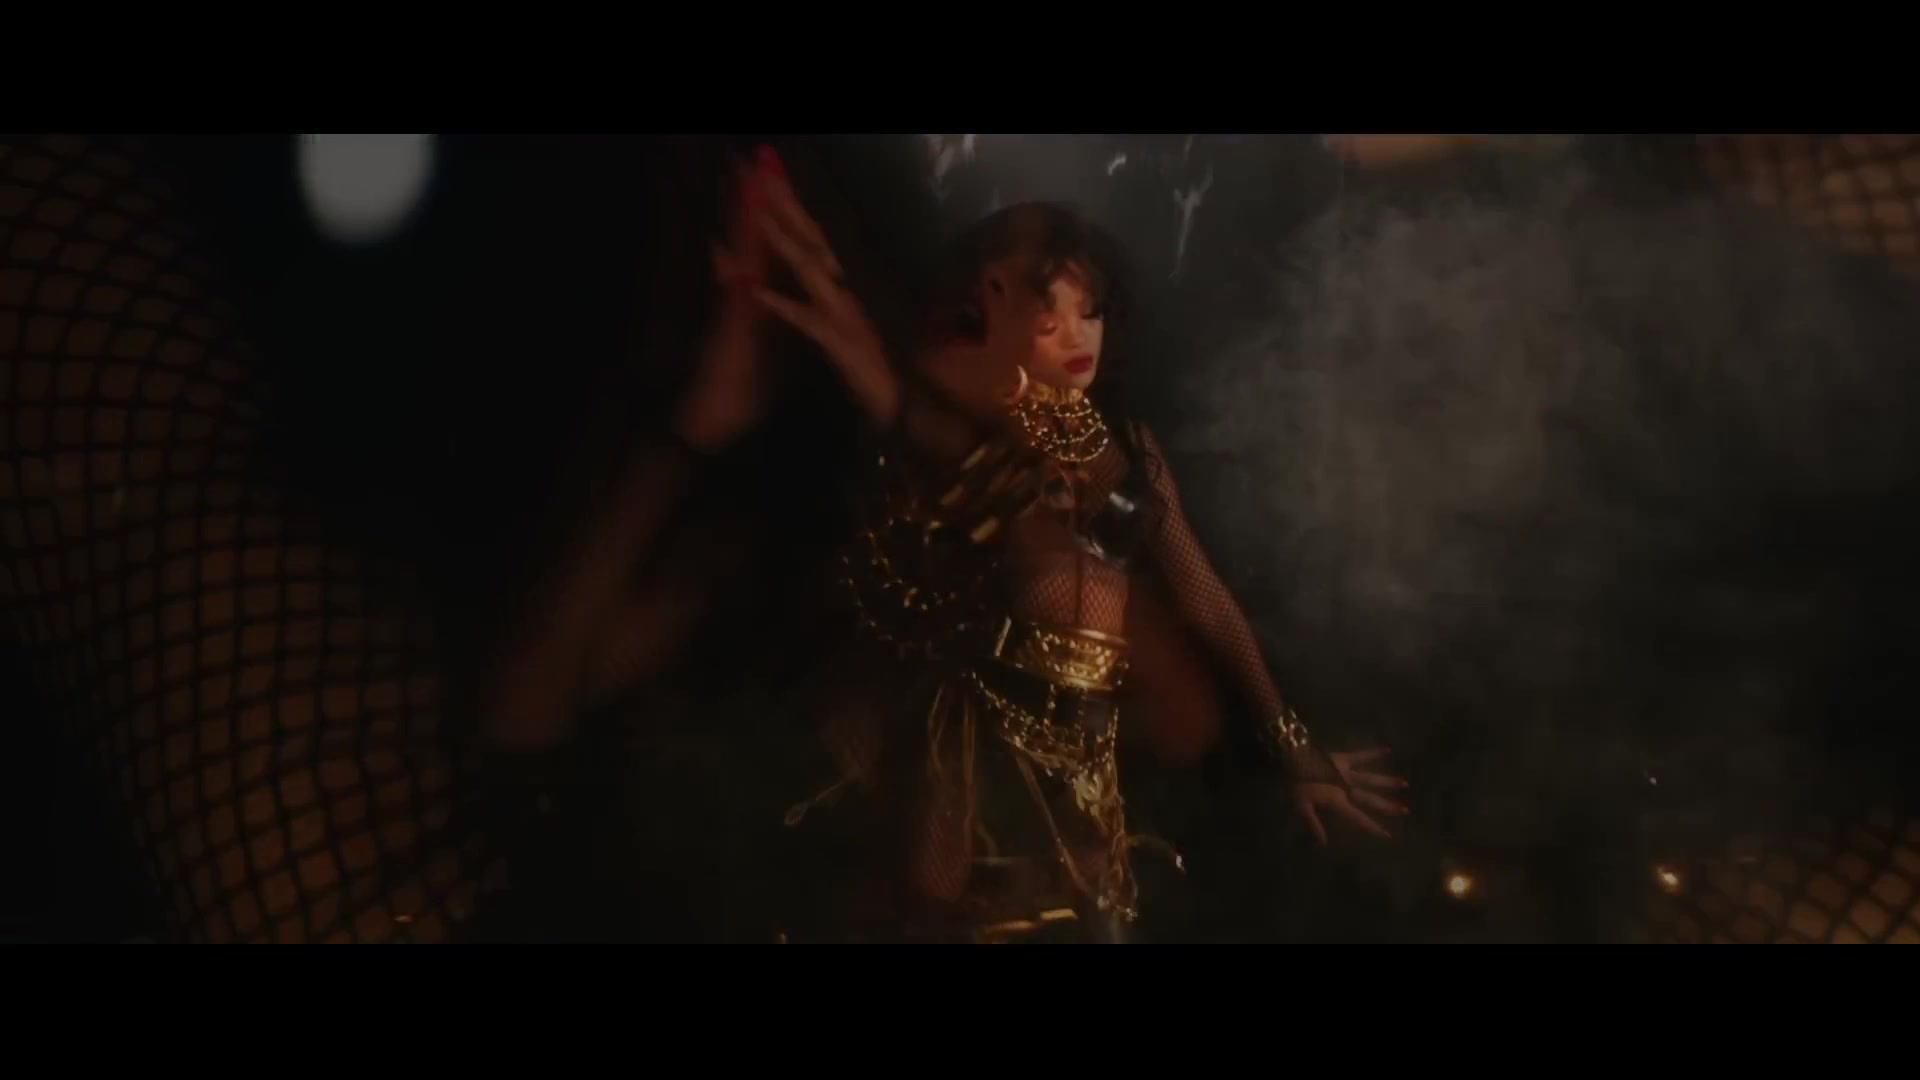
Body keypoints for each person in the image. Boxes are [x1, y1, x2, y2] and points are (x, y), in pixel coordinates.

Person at [742, 150, 1410, 941]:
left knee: (1097, 915)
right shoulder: (970, 425)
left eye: (1089, 312)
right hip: (981, 734)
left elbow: (1203, 595)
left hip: (1092, 747)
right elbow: (873, 367)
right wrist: (800, 267)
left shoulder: (1128, 444)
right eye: (1049, 315)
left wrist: (1289, 740)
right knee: (946, 915)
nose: (1076, 334)